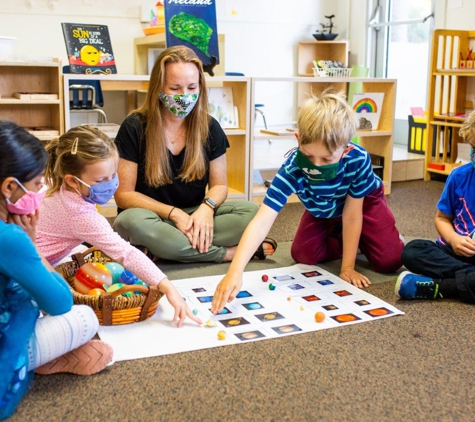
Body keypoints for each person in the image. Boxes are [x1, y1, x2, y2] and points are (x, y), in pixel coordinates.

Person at [211, 91, 404, 314]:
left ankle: (371, 236)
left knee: (389, 261)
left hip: (362, 204)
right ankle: (354, 239)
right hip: (322, 208)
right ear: (298, 138)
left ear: (346, 150)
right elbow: (262, 220)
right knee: (304, 255)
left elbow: (352, 214)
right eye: (309, 156)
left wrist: (348, 267)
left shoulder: (358, 159)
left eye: (327, 159)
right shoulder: (292, 168)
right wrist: (235, 271)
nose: (317, 166)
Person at [112, 45, 276, 264]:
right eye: (175, 88)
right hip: (151, 216)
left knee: (254, 212)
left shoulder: (210, 126)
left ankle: (164, 249)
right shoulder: (134, 127)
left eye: (191, 87)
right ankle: (228, 253)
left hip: (195, 215)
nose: (185, 96)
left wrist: (207, 209)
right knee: (127, 222)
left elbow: (220, 186)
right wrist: (173, 214)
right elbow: (123, 194)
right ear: (158, 88)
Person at [0, 121, 113, 420]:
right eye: (37, 184)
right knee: (85, 317)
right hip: (7, 346)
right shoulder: (10, 238)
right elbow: (60, 303)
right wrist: (32, 242)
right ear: (10, 187)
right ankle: (40, 360)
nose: (41, 191)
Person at [36, 125, 201, 327]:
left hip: (36, 248)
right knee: (59, 304)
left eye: (113, 175)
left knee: (83, 252)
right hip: (31, 262)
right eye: (100, 180)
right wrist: (167, 286)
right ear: (72, 180)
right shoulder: (81, 215)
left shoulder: (52, 179)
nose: (111, 184)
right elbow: (125, 253)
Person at [396, 110, 475, 304]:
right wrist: (453, 239)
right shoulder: (459, 176)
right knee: (412, 251)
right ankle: (468, 278)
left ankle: (439, 287)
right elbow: (442, 218)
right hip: (454, 253)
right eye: (474, 147)